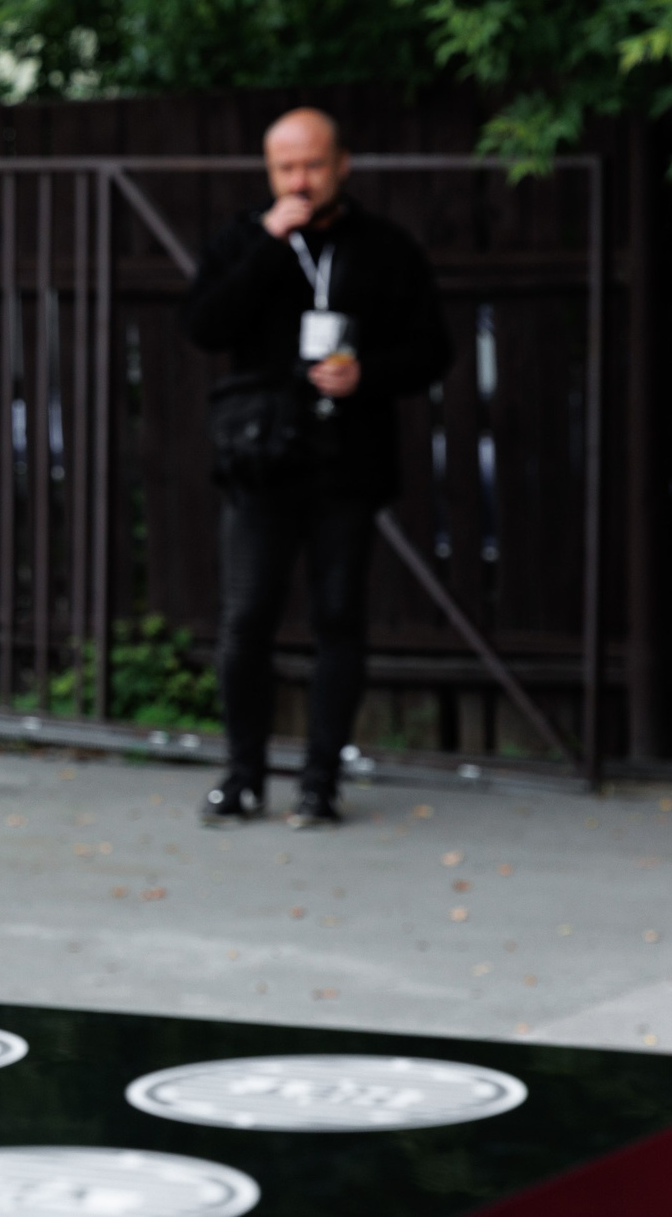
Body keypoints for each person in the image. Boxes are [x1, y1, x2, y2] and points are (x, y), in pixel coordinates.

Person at [182, 109, 452, 830]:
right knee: (246, 620)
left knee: (339, 619)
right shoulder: (244, 239)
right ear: (269, 172)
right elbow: (205, 325)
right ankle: (242, 777)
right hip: (262, 463)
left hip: (348, 464)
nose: (299, 181)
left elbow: (433, 350)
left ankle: (319, 783)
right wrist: (269, 246)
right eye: (285, 168)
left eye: (312, 165)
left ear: (342, 165)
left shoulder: (384, 247)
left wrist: (367, 373)